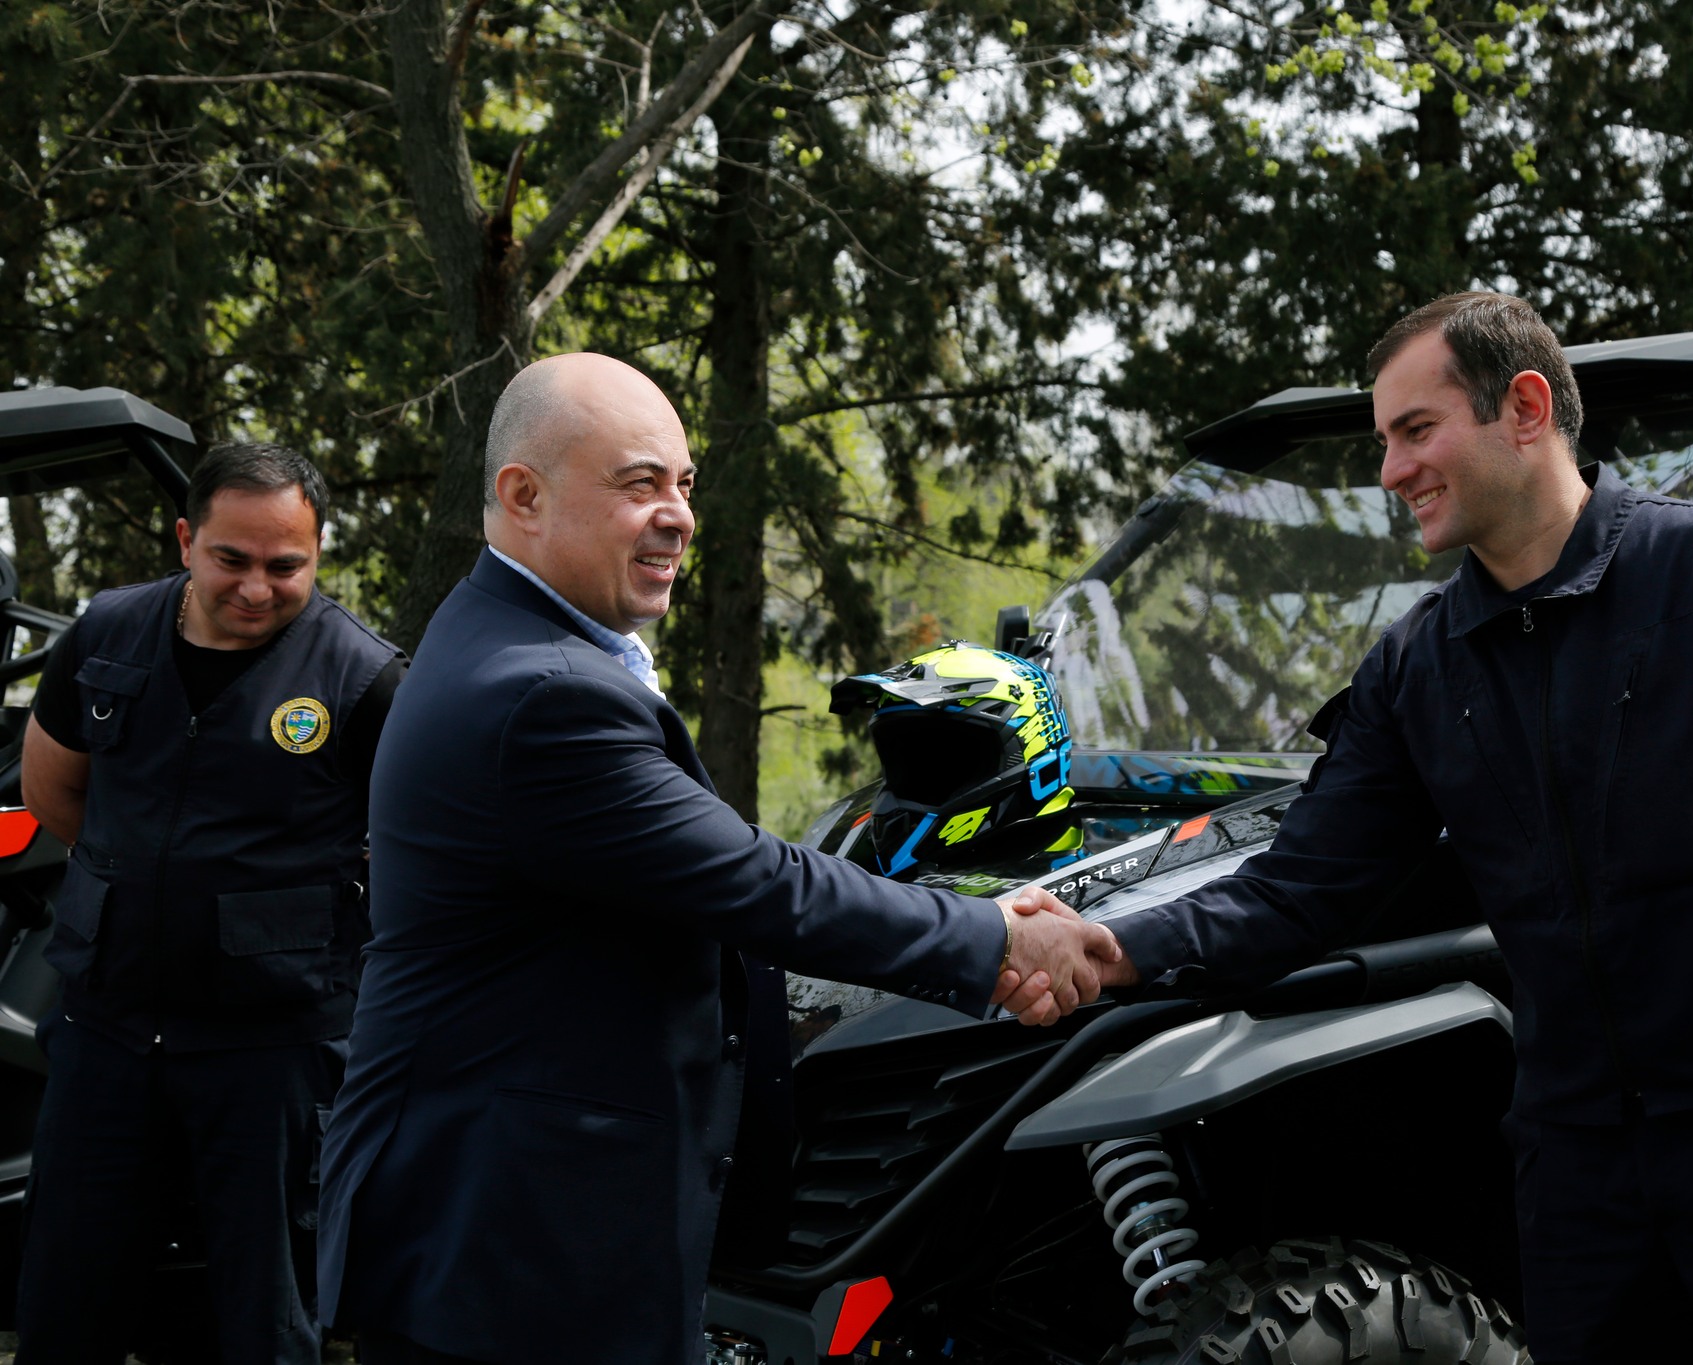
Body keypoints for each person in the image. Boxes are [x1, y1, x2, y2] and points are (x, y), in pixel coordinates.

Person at [1047, 292, 1693, 1363]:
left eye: (1415, 429)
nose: (1390, 470)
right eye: (1384, 440)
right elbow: (1297, 889)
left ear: (1525, 408)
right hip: (1584, 1175)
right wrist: (1110, 947)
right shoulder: (1417, 666)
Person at [315, 353, 1117, 1365]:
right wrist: (996, 936)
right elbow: (755, 884)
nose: (678, 516)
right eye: (639, 483)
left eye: (685, 485)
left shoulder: (505, 635)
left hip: (503, 1222)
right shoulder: (541, 694)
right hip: (506, 1241)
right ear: (523, 496)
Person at [16, 443, 406, 1365]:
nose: (258, 588)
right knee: (65, 1302)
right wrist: (147, 881)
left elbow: (416, 855)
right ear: (187, 539)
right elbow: (51, 788)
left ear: (318, 553)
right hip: (108, 1026)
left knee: (265, 1320)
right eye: (232, 558)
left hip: (272, 1049)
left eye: (285, 565)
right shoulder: (108, 632)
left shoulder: (365, 678)